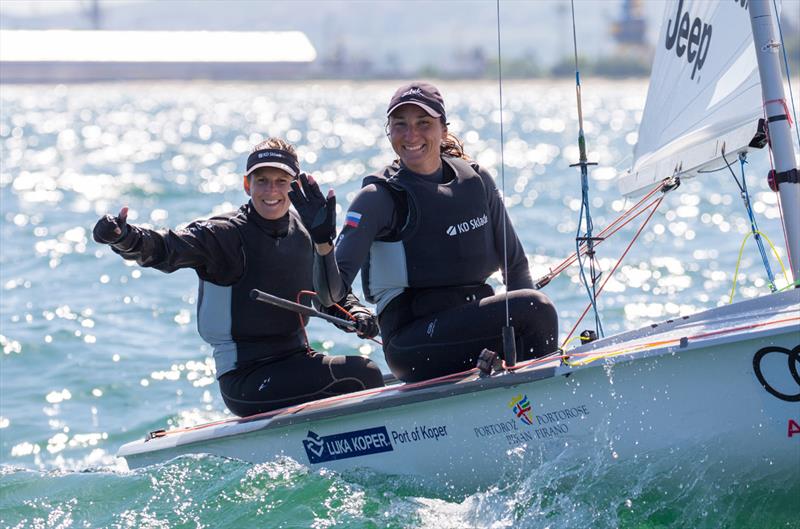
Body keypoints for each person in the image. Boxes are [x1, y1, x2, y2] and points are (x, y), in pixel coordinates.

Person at [93, 138, 384, 417]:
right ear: (247, 184)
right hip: (245, 378)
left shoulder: (307, 230)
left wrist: (358, 312)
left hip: (297, 360)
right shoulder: (223, 234)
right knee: (363, 375)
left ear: (294, 187)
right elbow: (166, 248)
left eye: (281, 181)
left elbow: (329, 297)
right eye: (262, 181)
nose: (271, 190)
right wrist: (125, 239)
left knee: (370, 374)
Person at [290, 82, 558, 383]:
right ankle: (544, 405)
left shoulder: (477, 180)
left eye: (423, 123)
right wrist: (322, 243)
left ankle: (535, 408)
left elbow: (516, 266)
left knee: (529, 307)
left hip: (470, 326)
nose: (411, 135)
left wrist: (519, 325)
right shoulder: (378, 198)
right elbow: (330, 296)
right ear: (388, 130)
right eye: (400, 125)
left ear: (444, 129)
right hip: (412, 341)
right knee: (535, 309)